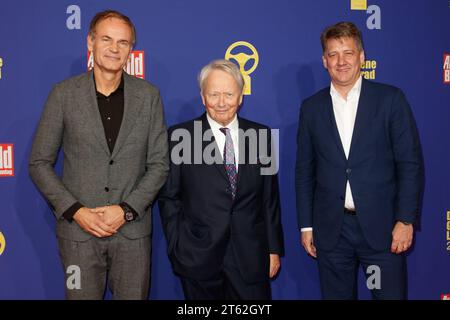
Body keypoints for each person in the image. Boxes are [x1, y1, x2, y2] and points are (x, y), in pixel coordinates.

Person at [29, 10, 169, 299]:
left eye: (123, 42)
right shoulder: (63, 95)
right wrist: (77, 211)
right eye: (106, 39)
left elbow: (159, 165)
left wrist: (126, 210)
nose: (115, 48)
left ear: (131, 49)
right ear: (90, 42)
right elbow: (39, 163)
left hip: (132, 235)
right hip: (78, 236)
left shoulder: (149, 96)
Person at [295, 22, 424, 300]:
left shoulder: (390, 99)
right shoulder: (311, 108)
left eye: (348, 53)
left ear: (362, 57)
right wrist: (306, 225)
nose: (341, 61)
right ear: (324, 61)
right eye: (333, 54)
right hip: (332, 231)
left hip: (383, 229)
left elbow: (410, 163)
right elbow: (304, 171)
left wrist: (405, 219)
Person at [158, 59, 284, 300]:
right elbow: (169, 197)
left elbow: (270, 198)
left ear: (240, 97)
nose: (222, 102)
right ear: (203, 97)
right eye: (214, 94)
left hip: (250, 256)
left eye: (229, 93)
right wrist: (178, 245)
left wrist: (273, 248)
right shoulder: (179, 136)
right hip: (198, 257)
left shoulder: (261, 135)